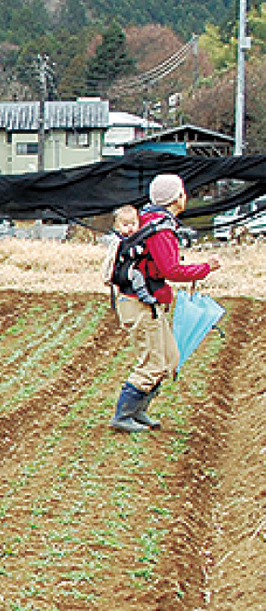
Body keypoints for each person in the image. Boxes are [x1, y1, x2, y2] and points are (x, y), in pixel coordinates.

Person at [110, 173, 220, 432]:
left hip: (144, 301)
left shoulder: (150, 220)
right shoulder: (161, 228)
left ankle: (138, 412)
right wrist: (206, 268)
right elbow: (171, 270)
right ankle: (123, 416)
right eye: (183, 192)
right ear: (176, 198)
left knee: (169, 358)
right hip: (140, 303)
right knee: (152, 361)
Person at [103, 204, 157, 305]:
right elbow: (127, 253)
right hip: (122, 270)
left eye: (133, 223)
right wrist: (138, 250)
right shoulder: (120, 241)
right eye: (125, 225)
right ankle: (143, 294)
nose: (130, 228)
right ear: (117, 227)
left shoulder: (135, 238)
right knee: (137, 275)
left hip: (128, 268)